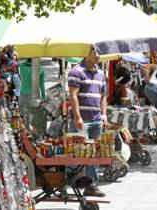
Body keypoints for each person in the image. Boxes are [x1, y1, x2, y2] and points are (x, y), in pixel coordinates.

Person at [67, 46, 108, 197]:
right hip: (82, 121)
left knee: (94, 154)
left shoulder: (101, 74)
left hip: (97, 119)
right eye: (96, 52)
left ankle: (92, 185)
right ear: (87, 54)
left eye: (99, 53)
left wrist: (104, 114)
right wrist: (77, 117)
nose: (98, 56)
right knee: (77, 153)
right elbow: (73, 95)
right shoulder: (76, 72)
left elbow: (103, 96)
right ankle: (69, 181)